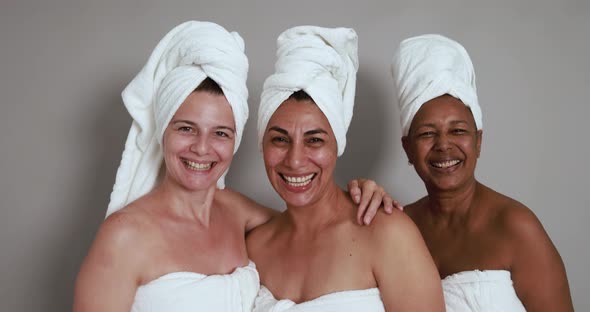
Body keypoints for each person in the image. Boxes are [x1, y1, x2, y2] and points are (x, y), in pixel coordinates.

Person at [73, 21, 396, 312]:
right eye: (186, 128)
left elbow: (314, 222)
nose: (201, 148)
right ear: (162, 131)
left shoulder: (240, 215)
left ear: (237, 140)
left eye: (220, 133)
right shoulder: (124, 236)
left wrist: (361, 191)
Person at [247, 26, 445, 311]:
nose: (295, 159)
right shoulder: (253, 248)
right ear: (261, 144)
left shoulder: (387, 234)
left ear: (336, 145)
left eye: (314, 140)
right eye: (280, 139)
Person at [391, 34, 574, 311]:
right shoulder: (400, 228)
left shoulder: (515, 226)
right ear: (407, 149)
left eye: (458, 131)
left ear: (478, 142)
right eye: (428, 133)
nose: (443, 145)